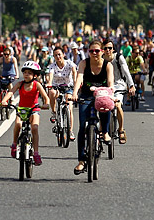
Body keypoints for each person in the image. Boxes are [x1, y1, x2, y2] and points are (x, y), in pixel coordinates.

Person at [71, 39, 114, 175]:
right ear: (88, 52)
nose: (94, 53)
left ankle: (105, 131)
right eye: (91, 51)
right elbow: (79, 78)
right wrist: (74, 93)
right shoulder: (84, 63)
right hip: (86, 96)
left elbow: (110, 82)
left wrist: (111, 93)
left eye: (97, 51)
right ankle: (81, 161)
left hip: (102, 96)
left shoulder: (108, 65)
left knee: (106, 106)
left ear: (102, 52)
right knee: (82, 127)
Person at [0, 61, 50, 166]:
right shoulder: (20, 84)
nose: (26, 74)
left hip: (34, 109)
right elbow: (10, 92)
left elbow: (46, 98)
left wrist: (46, 104)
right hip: (22, 109)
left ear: (35, 75)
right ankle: (14, 144)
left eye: (29, 73)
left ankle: (36, 153)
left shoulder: (37, 85)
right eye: (25, 72)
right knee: (18, 124)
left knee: (34, 128)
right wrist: (4, 100)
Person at [103, 39, 136, 143]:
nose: (107, 50)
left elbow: (126, 71)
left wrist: (131, 85)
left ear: (113, 49)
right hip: (105, 86)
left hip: (118, 85)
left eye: (110, 48)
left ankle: (121, 129)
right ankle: (101, 129)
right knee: (100, 106)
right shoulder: (100, 58)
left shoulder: (118, 58)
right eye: (105, 48)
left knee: (117, 105)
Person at [46, 45, 77, 141]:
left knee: (70, 106)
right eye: (55, 55)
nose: (58, 57)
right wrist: (49, 83)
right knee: (51, 92)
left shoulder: (69, 63)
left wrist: (76, 83)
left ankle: (70, 130)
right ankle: (54, 112)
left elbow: (74, 72)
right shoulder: (52, 66)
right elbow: (50, 76)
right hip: (57, 86)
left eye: (59, 54)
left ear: (63, 54)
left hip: (68, 86)